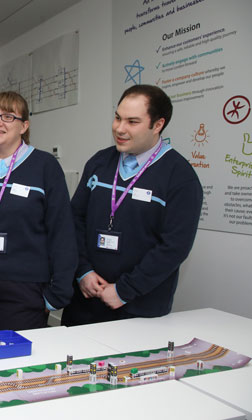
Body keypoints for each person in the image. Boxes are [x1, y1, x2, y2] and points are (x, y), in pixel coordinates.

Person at [62, 85, 203, 326]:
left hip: (139, 307)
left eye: (132, 121)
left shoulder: (180, 177)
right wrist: (83, 271)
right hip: (86, 299)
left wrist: (125, 290)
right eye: (117, 117)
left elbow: (174, 246)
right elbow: (74, 220)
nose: (119, 128)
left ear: (157, 125)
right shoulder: (99, 162)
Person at [0, 91, 76, 330]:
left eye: (8, 116)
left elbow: (62, 232)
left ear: (24, 126)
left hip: (23, 289)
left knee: (16, 363)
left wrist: (57, 295)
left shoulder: (44, 166)